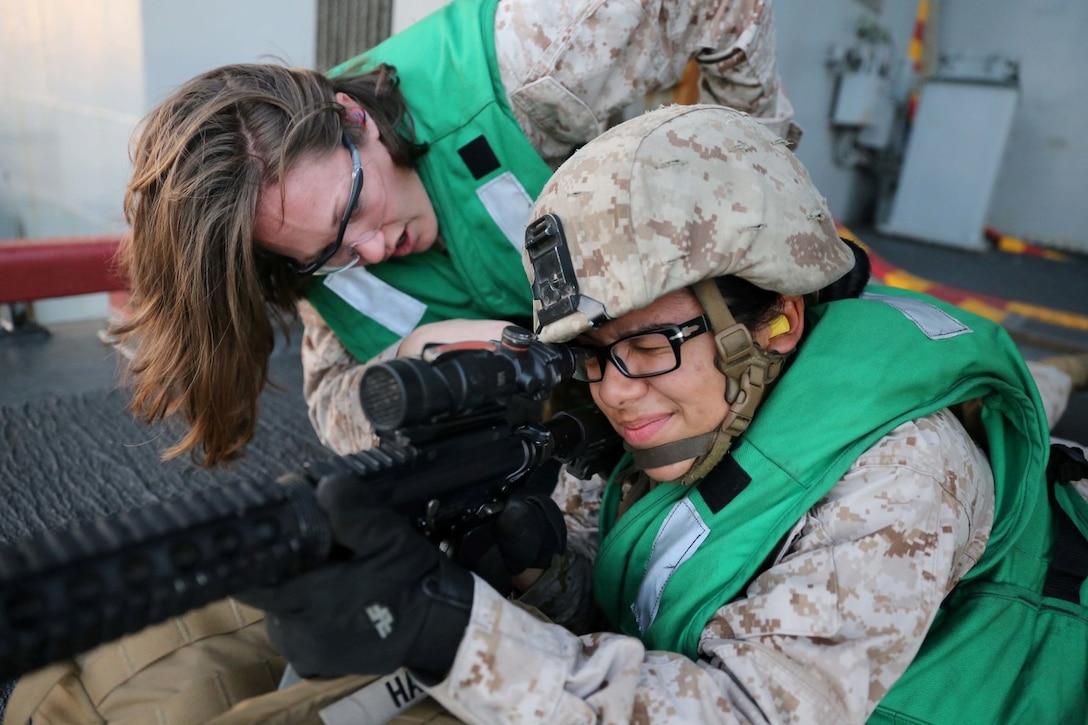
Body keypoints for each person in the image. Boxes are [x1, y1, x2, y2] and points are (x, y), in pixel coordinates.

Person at [241, 104, 1088, 723]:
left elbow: (744, 710)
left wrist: (453, 628)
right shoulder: (689, 394)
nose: (612, 389)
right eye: (592, 352)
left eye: (648, 344)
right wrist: (541, 570)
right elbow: (638, 581)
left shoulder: (903, 477)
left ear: (776, 320)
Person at [112, 0, 800, 467]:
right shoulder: (300, 252)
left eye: (357, 204)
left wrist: (749, 190)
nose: (372, 251)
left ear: (355, 118)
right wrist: (413, 353)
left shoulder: (543, 58)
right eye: (329, 251)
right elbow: (333, 407)